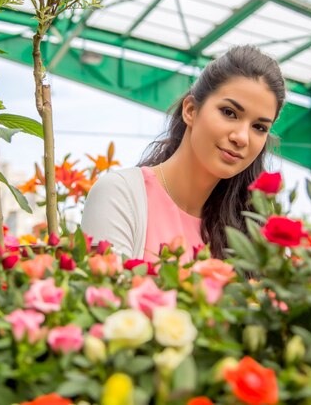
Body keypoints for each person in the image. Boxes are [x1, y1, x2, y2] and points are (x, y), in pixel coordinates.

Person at [81, 45, 285, 261]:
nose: (242, 137)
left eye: (259, 127)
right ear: (190, 110)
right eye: (229, 113)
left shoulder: (247, 231)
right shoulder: (121, 195)